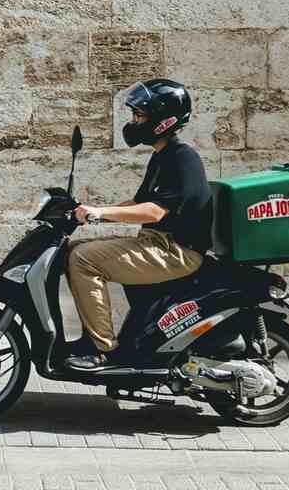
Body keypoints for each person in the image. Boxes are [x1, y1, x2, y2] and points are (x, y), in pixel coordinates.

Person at [64, 78, 213, 372]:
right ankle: (89, 337)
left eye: (140, 116)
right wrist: (91, 211)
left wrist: (99, 213)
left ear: (162, 120)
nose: (134, 122)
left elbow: (154, 212)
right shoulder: (162, 157)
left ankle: (101, 350)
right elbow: (137, 203)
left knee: (83, 260)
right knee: (73, 249)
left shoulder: (183, 158)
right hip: (158, 244)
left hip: (176, 251)